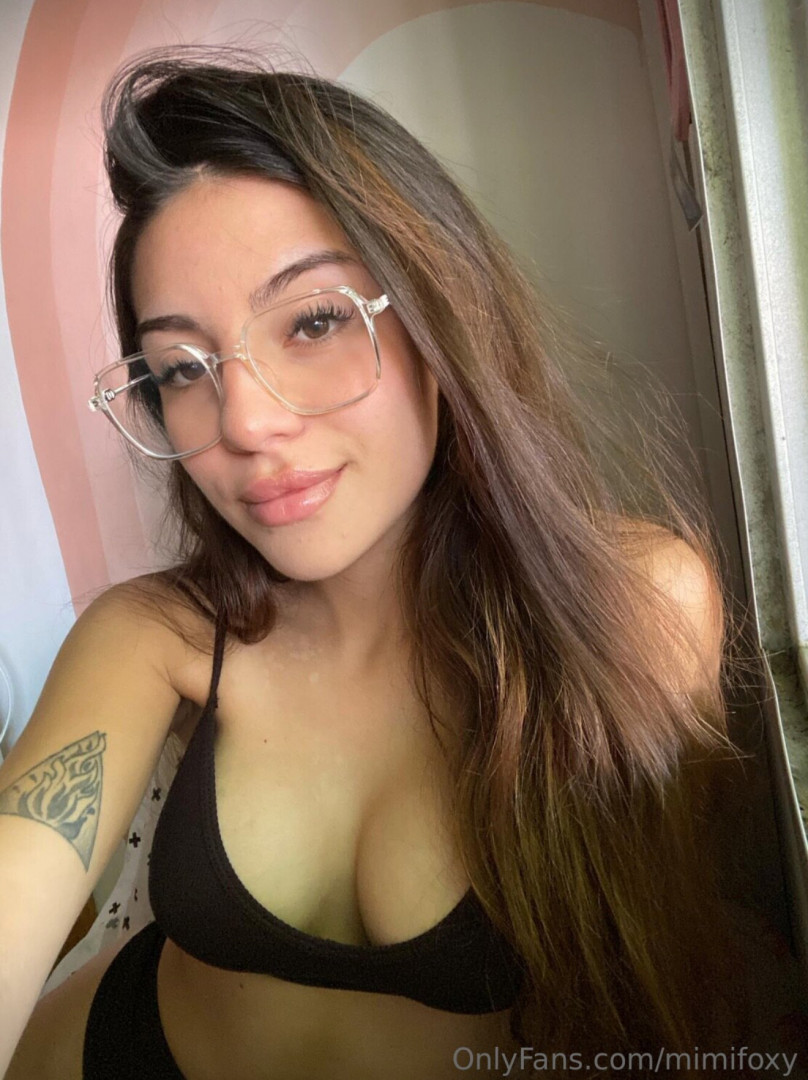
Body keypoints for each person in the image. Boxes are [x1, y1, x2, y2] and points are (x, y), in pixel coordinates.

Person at [1, 46, 753, 1080]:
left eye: (314, 321)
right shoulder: (150, 637)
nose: (244, 423)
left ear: (443, 312)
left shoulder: (634, 607)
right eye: (182, 369)